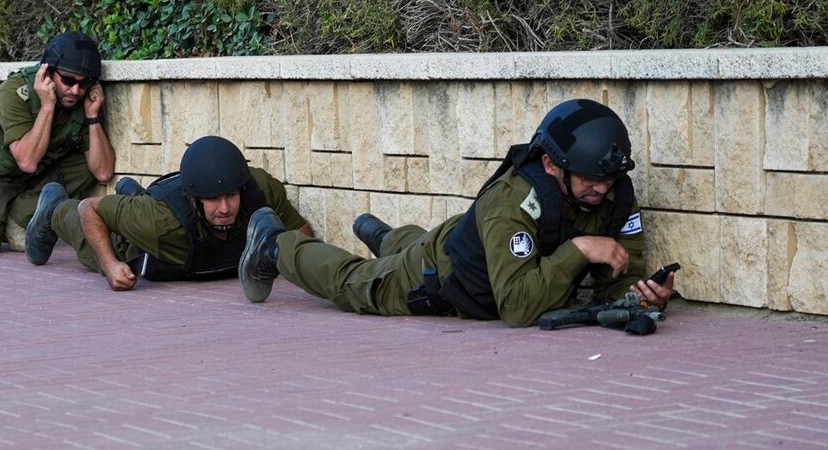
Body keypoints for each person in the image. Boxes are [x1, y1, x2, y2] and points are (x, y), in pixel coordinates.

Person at [238, 98, 675, 328]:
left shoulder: (612, 189)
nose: (601, 189)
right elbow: (518, 309)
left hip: (470, 244)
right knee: (354, 284)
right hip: (437, 276)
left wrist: (640, 294)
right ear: (550, 165)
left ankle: (388, 237)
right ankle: (275, 243)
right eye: (588, 179)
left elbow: (619, 274)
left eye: (609, 180)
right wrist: (580, 248)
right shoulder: (513, 202)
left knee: (422, 245)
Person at [25, 135, 314, 291]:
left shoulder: (261, 190)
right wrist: (111, 265)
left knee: (137, 210)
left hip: (153, 217)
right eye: (212, 200)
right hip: (138, 245)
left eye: (231, 196)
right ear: (195, 200)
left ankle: (132, 195)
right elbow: (90, 209)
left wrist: (290, 260)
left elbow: (301, 232)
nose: (224, 208)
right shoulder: (161, 222)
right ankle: (52, 209)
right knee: (94, 244)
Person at [0, 31, 115, 255]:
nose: (75, 91)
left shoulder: (83, 99)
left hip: (34, 174)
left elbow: (102, 172)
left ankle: (16, 220)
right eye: (68, 80)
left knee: (85, 166)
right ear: (47, 72)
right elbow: (27, 161)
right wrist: (47, 106)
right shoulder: (14, 93)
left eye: (84, 83)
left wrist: (93, 116)